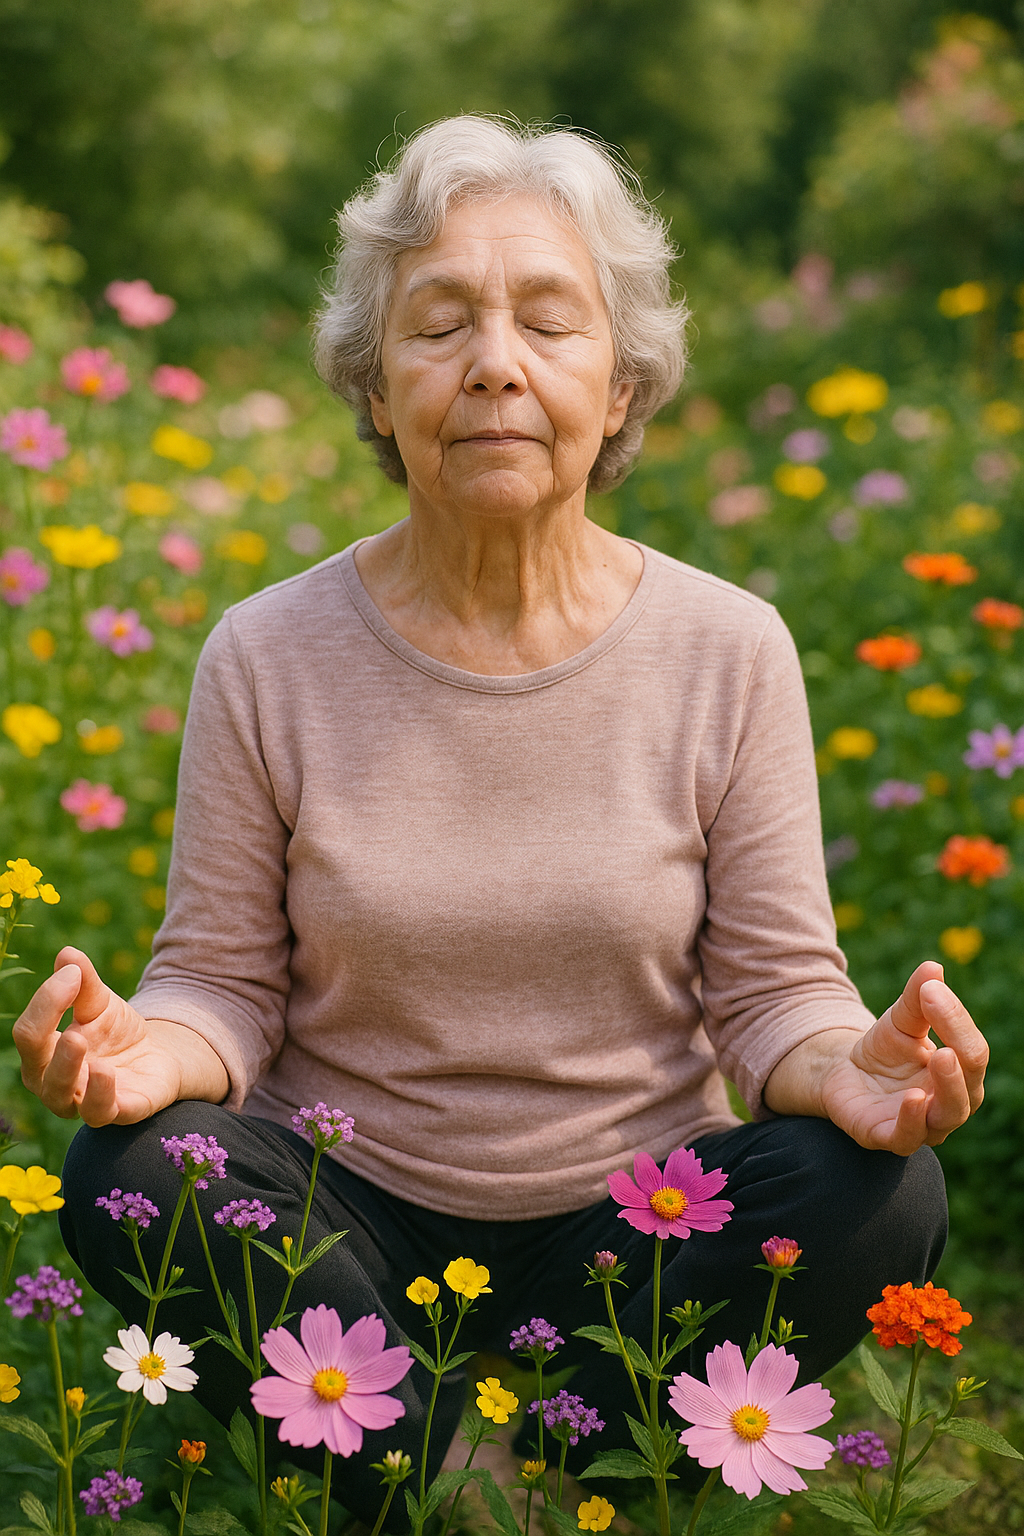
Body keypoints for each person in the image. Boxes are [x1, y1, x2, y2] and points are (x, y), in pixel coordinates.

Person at [16, 117, 987, 1523]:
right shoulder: (267, 652)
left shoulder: (730, 649)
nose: (494, 363)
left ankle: (576, 1464)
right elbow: (221, 986)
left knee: (884, 1191)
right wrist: (137, 1051)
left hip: (639, 1231)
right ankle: (435, 1482)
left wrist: (850, 1067)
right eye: (439, 325)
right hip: (339, 1218)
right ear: (374, 378)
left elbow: (776, 992)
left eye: (549, 321)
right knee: (134, 1166)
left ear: (622, 381)